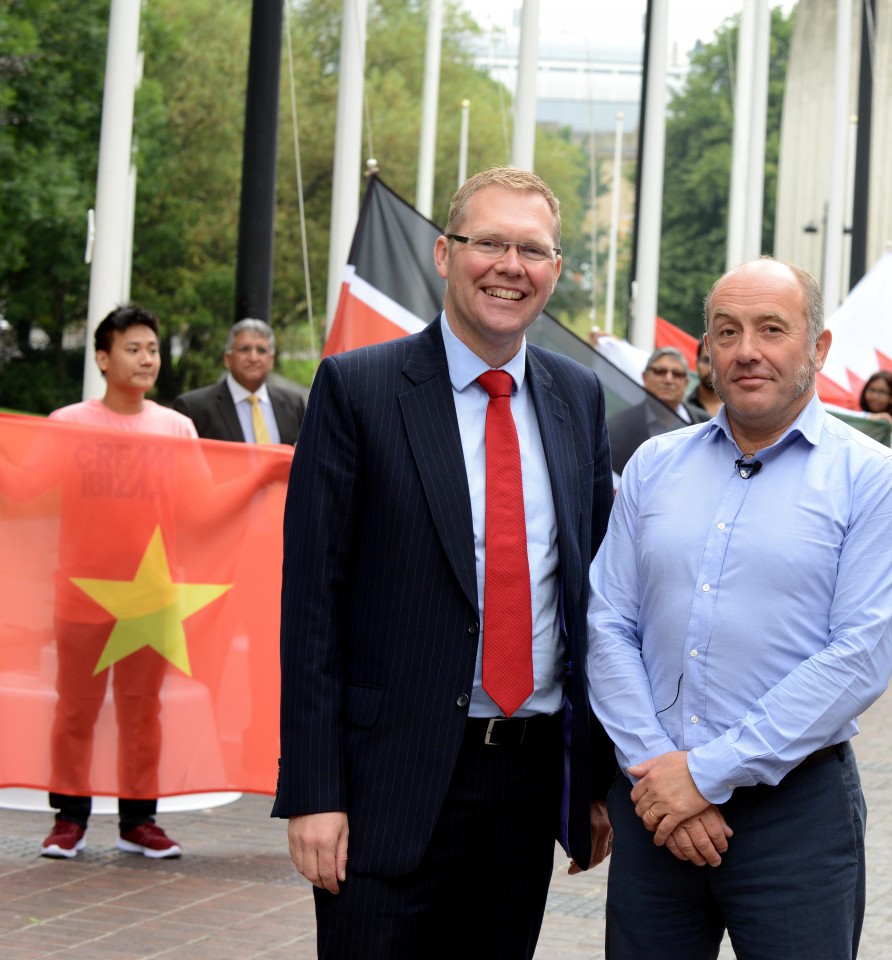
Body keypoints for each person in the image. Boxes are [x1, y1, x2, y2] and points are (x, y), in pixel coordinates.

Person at [274, 166, 615, 959]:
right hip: (384, 788)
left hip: (527, 786)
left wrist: (593, 785)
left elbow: (594, 601)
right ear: (443, 253)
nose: (510, 265)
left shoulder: (578, 397)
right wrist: (314, 794)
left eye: (533, 250)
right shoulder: (358, 390)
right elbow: (311, 607)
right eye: (488, 241)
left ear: (555, 271)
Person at [587, 257, 892, 959]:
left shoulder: (876, 482)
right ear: (706, 351)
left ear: (818, 346)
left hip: (793, 817)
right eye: (727, 331)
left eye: (773, 329)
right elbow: (607, 621)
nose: (748, 350)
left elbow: (857, 659)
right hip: (655, 805)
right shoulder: (655, 466)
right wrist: (658, 767)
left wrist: (705, 774)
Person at [39, 306, 197, 861]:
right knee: (75, 710)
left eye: (152, 348)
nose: (146, 358)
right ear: (103, 359)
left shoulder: (176, 428)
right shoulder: (68, 424)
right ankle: (68, 819)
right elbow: (25, 487)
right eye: (133, 349)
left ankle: (139, 821)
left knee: (141, 712)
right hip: (81, 595)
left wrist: (271, 472)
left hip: (152, 599)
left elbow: (204, 502)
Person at [174, 318, 306, 444]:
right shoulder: (194, 408)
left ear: (271, 360)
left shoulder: (293, 405)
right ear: (227, 358)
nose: (253, 358)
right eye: (245, 349)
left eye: (261, 350)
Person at [608, 346, 692, 472]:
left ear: (686, 382)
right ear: (645, 377)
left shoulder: (705, 423)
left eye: (677, 374)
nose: (668, 380)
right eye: (660, 371)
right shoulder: (616, 427)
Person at [683, 340, 723, 423]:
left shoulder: (740, 406)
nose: (711, 368)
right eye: (706, 360)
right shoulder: (683, 406)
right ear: (696, 363)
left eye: (717, 361)